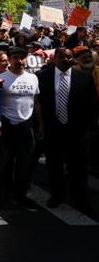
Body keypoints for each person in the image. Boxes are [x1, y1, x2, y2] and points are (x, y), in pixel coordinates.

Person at [36, 48, 98, 214]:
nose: (66, 59)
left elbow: (92, 106)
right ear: (55, 58)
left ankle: (81, 199)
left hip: (77, 133)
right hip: (53, 130)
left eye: (69, 57)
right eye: (62, 56)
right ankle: (56, 196)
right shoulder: (42, 77)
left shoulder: (84, 78)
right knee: (54, 166)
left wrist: (89, 129)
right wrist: (41, 126)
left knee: (78, 168)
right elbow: (38, 102)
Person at [0, 47, 41, 211]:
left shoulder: (33, 78)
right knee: (3, 163)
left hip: (26, 126)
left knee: (24, 164)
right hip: (6, 125)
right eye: (16, 57)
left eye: (22, 57)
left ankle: (20, 195)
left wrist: (41, 124)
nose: (19, 61)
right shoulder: (0, 78)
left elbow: (36, 102)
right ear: (10, 59)